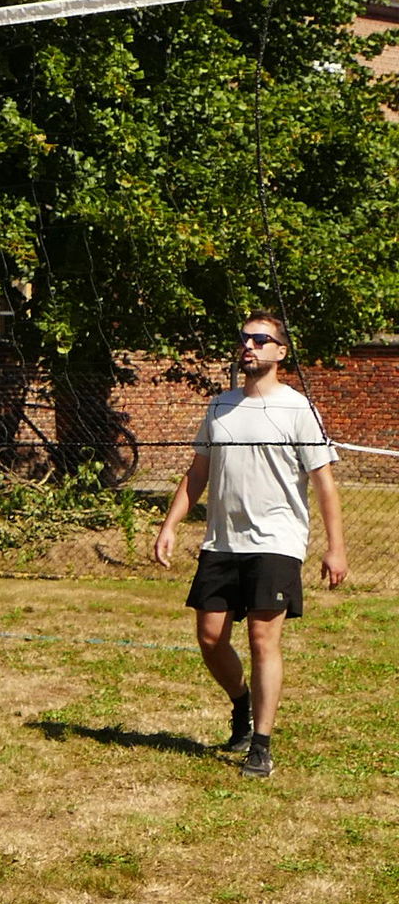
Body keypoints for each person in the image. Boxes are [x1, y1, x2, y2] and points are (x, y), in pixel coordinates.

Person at [154, 310, 348, 779]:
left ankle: (260, 745)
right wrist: (170, 524)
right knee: (210, 638)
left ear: (281, 352)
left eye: (260, 340)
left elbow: (324, 483)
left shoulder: (298, 409)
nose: (249, 346)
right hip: (222, 540)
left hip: (278, 540)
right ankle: (241, 702)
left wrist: (335, 547)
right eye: (244, 338)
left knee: (263, 640)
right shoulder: (220, 406)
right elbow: (198, 473)